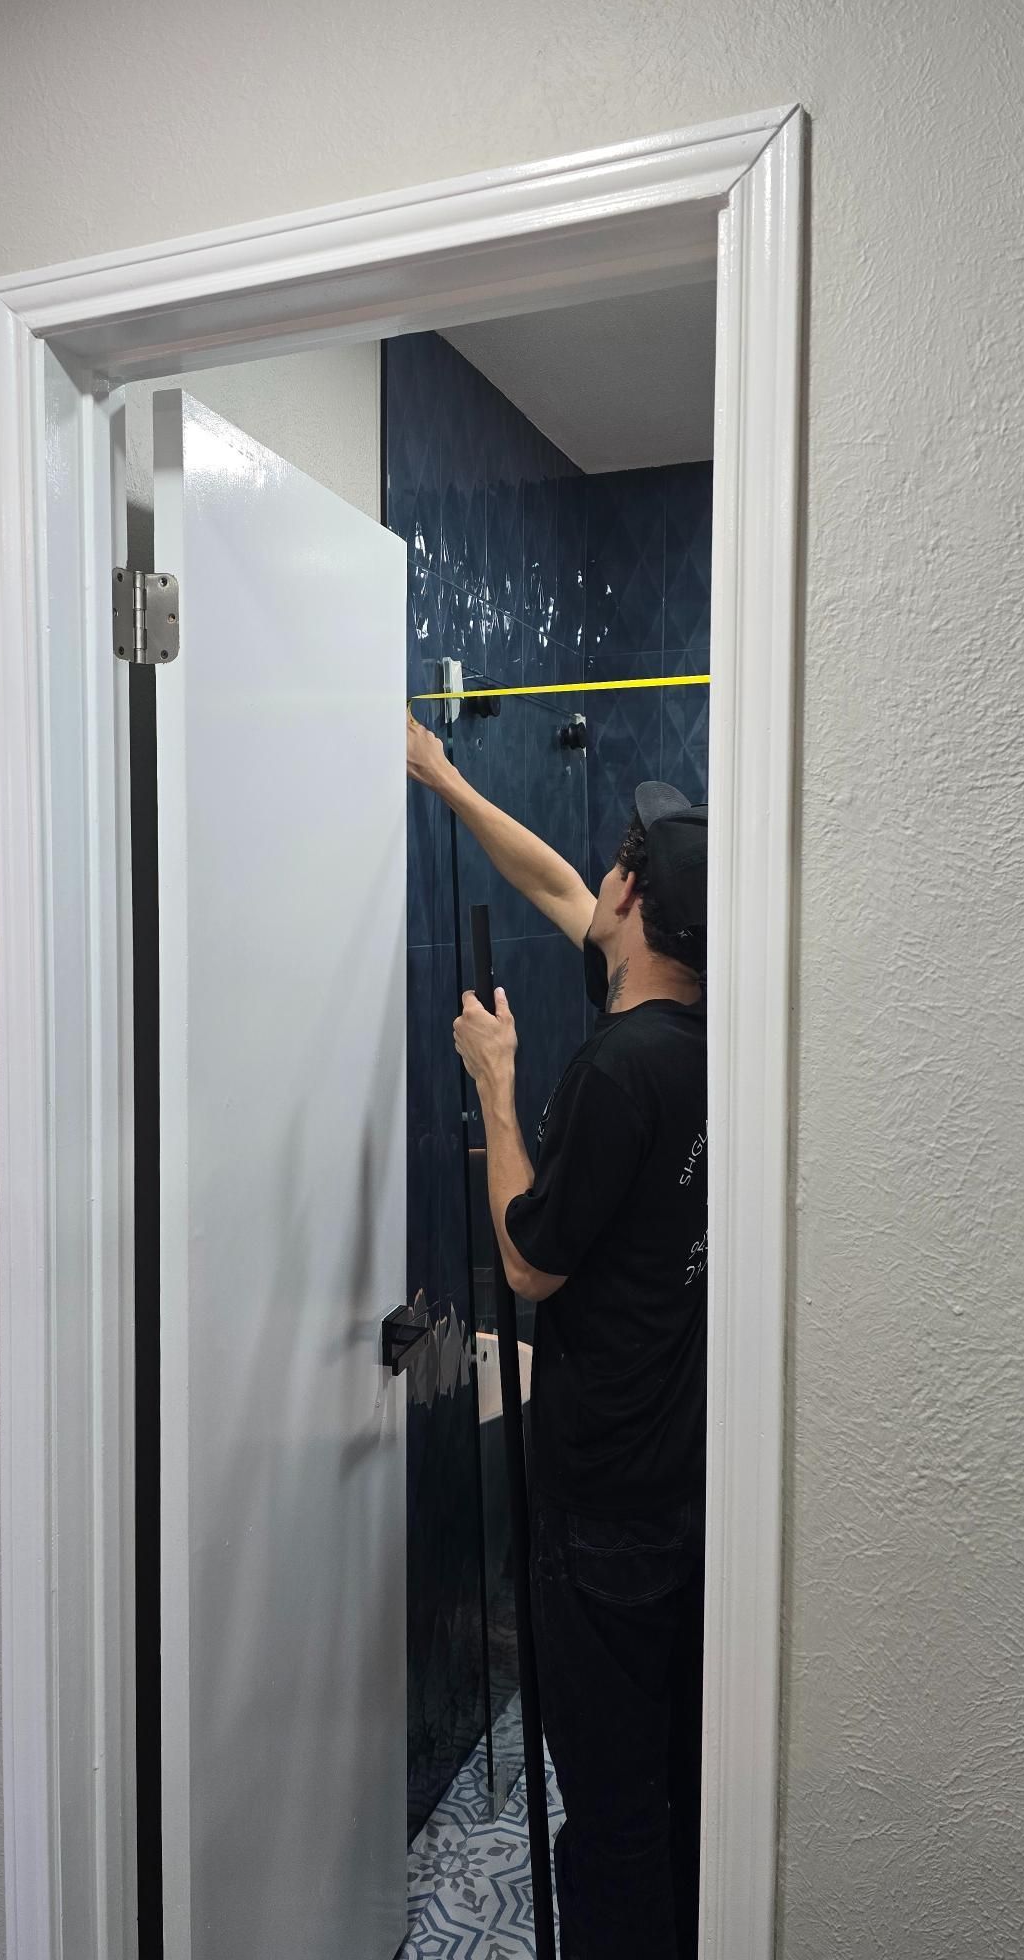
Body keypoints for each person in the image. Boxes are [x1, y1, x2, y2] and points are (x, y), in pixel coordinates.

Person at [407, 709, 709, 1960]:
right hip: (678, 1479)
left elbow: (529, 1260)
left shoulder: (619, 1068)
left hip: (598, 1504)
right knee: (671, 1774)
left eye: (622, 860)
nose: (607, 872)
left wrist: (493, 1076)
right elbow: (556, 882)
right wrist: (444, 778)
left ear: (641, 898)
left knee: (613, 1805)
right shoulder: (704, 1034)